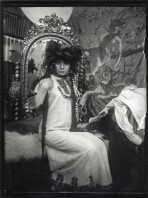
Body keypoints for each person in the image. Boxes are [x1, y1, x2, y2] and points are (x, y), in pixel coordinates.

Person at [32, 40, 112, 191]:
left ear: (71, 65)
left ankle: (98, 186)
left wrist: (87, 94)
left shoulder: (70, 83)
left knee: (100, 145)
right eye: (58, 62)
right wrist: (43, 88)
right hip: (51, 132)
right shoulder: (46, 82)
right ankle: (68, 182)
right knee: (89, 148)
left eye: (66, 63)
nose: (62, 67)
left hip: (69, 130)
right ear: (53, 63)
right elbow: (32, 107)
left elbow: (77, 108)